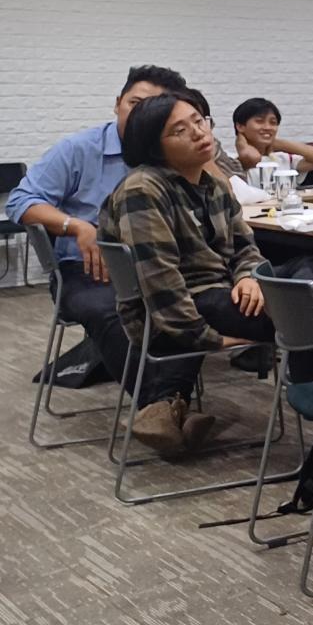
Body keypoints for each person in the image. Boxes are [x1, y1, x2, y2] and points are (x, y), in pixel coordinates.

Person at [99, 90, 313, 453]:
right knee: (309, 316)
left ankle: (165, 408)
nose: (198, 132)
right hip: (185, 306)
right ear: (154, 147)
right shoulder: (143, 189)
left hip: (226, 290)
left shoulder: (212, 184)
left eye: (199, 121)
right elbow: (160, 282)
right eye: (179, 130)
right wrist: (209, 339)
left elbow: (245, 247)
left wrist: (249, 276)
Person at [8, 66, 202, 415]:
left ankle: (166, 412)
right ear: (117, 103)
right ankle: (162, 408)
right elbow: (21, 202)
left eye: (154, 108)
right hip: (88, 271)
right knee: (112, 310)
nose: (140, 114)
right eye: (134, 103)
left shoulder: (175, 154)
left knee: (195, 301)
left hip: (163, 268)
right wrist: (77, 226)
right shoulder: (78, 149)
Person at [232, 98, 313, 176]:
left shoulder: (282, 159)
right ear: (240, 126)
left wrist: (279, 144)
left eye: (273, 123)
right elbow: (251, 157)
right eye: (259, 121)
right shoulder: (231, 161)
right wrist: (241, 142)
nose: (268, 127)